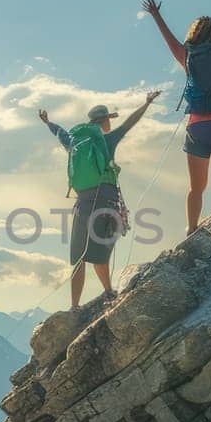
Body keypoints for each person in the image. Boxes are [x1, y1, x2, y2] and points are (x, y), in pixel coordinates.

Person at [38, 92, 160, 308]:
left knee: (79, 258)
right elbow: (130, 123)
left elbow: (60, 132)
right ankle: (108, 292)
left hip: (82, 202)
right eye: (108, 121)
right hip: (105, 199)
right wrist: (147, 103)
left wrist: (48, 122)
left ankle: (74, 306)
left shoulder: (75, 142)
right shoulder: (107, 140)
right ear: (105, 121)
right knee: (101, 249)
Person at [140, 0, 211, 237]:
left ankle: (192, 228)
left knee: (196, 187)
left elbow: (169, 39)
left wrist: (156, 15)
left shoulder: (186, 55)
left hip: (197, 126)